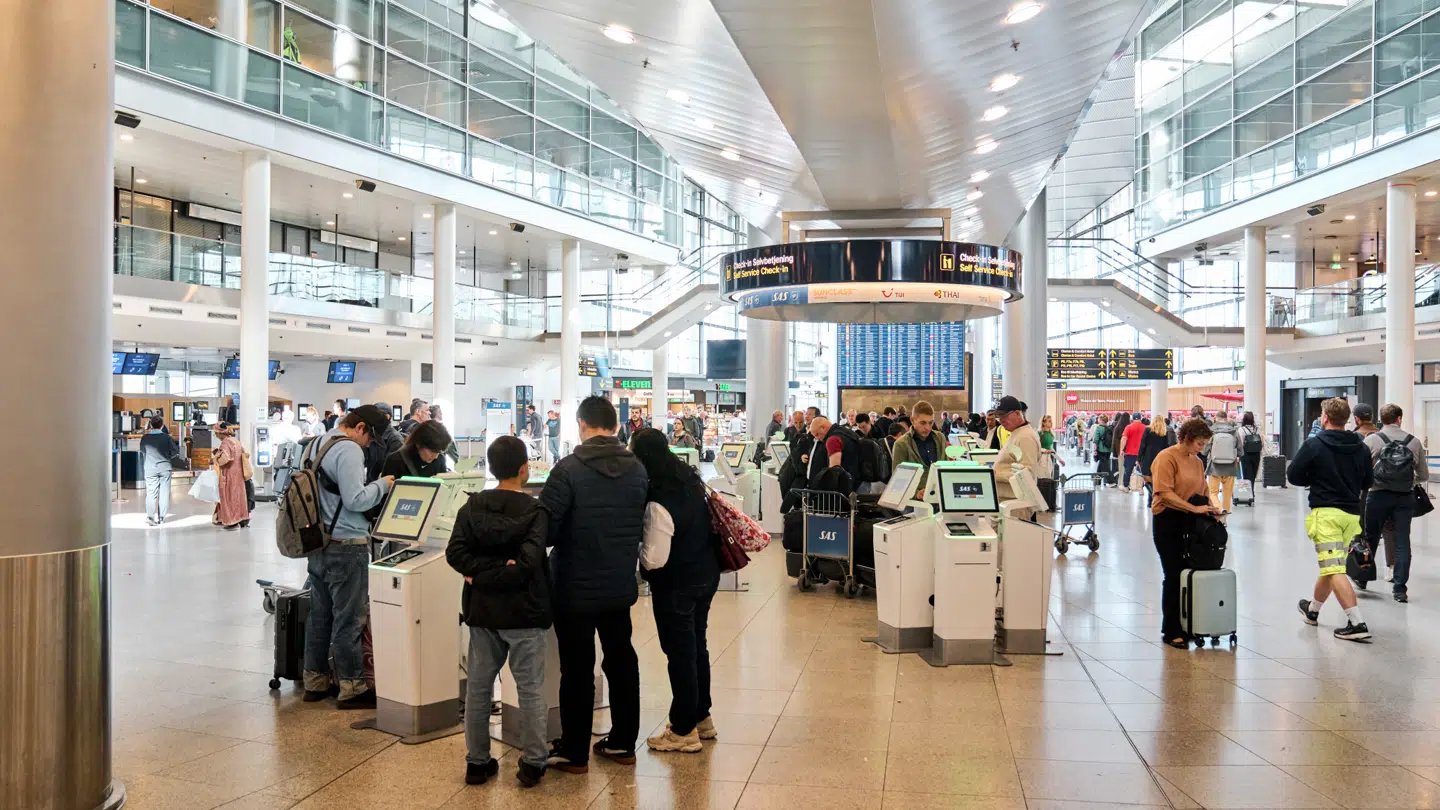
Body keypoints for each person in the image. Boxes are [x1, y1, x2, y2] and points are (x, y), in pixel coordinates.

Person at [538, 396, 649, 772]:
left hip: (573, 586)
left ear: (581, 425)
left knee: (577, 668)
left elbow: (547, 529)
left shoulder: (567, 469)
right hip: (618, 583)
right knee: (621, 659)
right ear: (616, 426)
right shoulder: (638, 469)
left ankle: (574, 750)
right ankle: (622, 742)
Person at [446, 435, 551, 788]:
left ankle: (477, 762)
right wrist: (502, 568)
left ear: (490, 468)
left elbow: (455, 555)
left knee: (478, 688)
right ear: (524, 469)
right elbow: (527, 564)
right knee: (531, 689)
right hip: (526, 611)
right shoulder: (536, 512)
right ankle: (534, 762)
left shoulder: (471, 508)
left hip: (483, 611)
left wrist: (480, 574)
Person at [629, 428, 721, 754]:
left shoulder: (658, 499)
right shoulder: (689, 478)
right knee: (697, 647)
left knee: (680, 654)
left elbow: (655, 558)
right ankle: (702, 717)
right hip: (706, 575)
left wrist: (634, 554)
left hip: (677, 584)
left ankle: (683, 730)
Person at [301, 405, 395, 708]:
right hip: (347, 543)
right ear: (361, 428)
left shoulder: (316, 443)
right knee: (349, 619)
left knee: (319, 616)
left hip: (317, 543)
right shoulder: (349, 450)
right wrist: (383, 484)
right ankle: (352, 687)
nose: (369, 445)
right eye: (371, 438)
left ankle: (314, 681)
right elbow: (355, 500)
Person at [1291, 397, 1374, 641]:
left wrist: (1316, 478)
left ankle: (1357, 622)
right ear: (1348, 419)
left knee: (1334, 568)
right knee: (1331, 565)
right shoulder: (1361, 446)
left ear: (1324, 418)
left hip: (1325, 514)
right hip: (1351, 515)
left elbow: (1294, 475)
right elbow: (1368, 482)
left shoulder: (1314, 445)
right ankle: (1312, 611)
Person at [1151, 418, 1219, 648]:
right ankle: (1171, 630)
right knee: (1173, 573)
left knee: (1187, 573)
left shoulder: (1197, 462)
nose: (1202, 448)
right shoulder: (1166, 457)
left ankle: (1183, 623)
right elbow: (1163, 493)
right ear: (1187, 438)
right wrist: (1193, 508)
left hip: (1190, 522)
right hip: (1167, 520)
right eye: (1200, 443)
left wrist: (1212, 508)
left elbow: (1203, 490)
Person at [1362, 403, 1428, 603]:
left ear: (1381, 420)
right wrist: (1408, 482)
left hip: (1377, 495)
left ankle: (1363, 578)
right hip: (1403, 497)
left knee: (1371, 537)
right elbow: (1423, 475)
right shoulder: (1414, 442)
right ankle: (1400, 589)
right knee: (1402, 541)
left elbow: (1363, 471)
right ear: (1399, 418)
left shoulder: (1371, 440)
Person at [990, 397, 1043, 506]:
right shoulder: (1017, 433)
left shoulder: (1025, 437)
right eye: (999, 417)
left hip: (1015, 504)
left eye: (1004, 416)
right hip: (1006, 501)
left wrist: (995, 474)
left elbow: (1027, 473)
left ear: (1018, 413)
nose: (1001, 420)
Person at [890, 401, 949, 492]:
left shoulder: (940, 438)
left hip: (940, 495)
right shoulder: (901, 444)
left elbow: (945, 468)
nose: (928, 428)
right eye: (923, 423)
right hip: (914, 502)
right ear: (912, 420)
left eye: (930, 423)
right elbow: (897, 482)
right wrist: (916, 494)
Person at [140, 415, 182, 525]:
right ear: (162, 425)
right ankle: (162, 518)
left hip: (150, 467)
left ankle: (150, 517)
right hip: (165, 468)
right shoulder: (167, 438)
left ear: (151, 425)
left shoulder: (145, 438)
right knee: (164, 493)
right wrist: (167, 456)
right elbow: (175, 452)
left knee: (151, 492)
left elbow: (143, 451)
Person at [382, 419, 454, 479]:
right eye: (432, 451)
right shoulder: (395, 461)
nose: (435, 456)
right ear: (418, 444)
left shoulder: (439, 460)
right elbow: (386, 494)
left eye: (439, 451)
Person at [211, 423, 250, 529]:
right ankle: (238, 518)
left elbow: (225, 459)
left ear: (220, 433)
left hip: (228, 475)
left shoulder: (225, 443)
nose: (216, 436)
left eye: (216, 433)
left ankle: (231, 521)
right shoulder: (235, 440)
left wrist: (215, 458)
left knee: (228, 497)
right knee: (238, 497)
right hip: (239, 474)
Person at [1206, 411, 1241, 514]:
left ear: (1216, 419)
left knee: (1213, 493)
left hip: (1214, 467)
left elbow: (1204, 451)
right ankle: (1224, 520)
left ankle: (1219, 509)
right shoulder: (1234, 432)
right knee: (1227, 493)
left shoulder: (1211, 431)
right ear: (1226, 419)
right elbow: (1240, 452)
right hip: (1230, 467)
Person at [1137, 415, 1173, 499]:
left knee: (1147, 476)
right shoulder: (1164, 432)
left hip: (1148, 456)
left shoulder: (1148, 430)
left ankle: (1152, 494)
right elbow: (1166, 446)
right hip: (1159, 457)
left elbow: (1143, 444)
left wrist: (1138, 458)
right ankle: (1154, 496)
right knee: (1156, 476)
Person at [1120, 411, 1147, 492]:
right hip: (1142, 453)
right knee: (1141, 471)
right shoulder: (1145, 428)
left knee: (1128, 470)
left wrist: (1121, 449)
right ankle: (1140, 487)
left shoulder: (1129, 427)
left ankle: (1126, 486)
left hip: (1130, 453)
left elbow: (1124, 438)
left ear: (1132, 419)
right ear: (1140, 418)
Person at [1239, 410, 1266, 483]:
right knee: (1253, 474)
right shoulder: (1258, 429)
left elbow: (1241, 444)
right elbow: (1262, 443)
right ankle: (1252, 490)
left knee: (1246, 474)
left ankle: (1249, 492)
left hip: (1245, 454)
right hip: (1256, 454)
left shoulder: (1242, 430)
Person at [1090, 415, 1113, 479]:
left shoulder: (1099, 428)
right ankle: (1098, 479)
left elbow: (1096, 440)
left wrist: (1094, 450)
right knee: (1102, 463)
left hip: (1101, 449)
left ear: (1101, 420)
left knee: (1105, 466)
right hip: (1109, 449)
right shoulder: (1109, 428)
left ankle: (1111, 481)